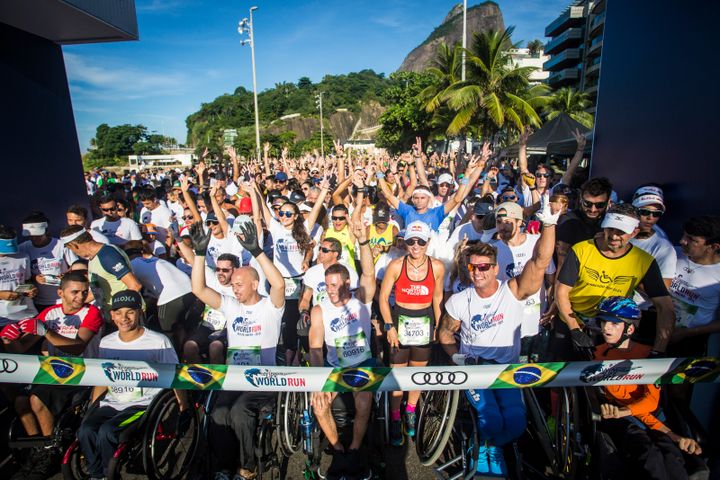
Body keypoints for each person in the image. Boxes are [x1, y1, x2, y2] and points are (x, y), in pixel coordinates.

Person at [439, 201, 560, 476]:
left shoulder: (513, 291)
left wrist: (549, 225)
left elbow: (540, 262)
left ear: (495, 268)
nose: (478, 273)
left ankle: (492, 445)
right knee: (490, 418)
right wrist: (456, 357)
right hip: (476, 370)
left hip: (506, 369)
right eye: (472, 268)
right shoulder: (460, 300)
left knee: (517, 423)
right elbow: (445, 333)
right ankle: (483, 450)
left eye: (484, 267)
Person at [189, 220, 286, 480]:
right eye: (233, 286)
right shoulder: (232, 305)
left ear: (254, 284)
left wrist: (257, 252)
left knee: (239, 412)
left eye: (239, 285)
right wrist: (199, 255)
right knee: (219, 413)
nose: (235, 289)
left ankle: (248, 466)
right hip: (235, 376)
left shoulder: (270, 307)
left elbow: (279, 285)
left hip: (263, 378)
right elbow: (198, 289)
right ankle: (224, 465)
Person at [77, 290, 189, 480]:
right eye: (118, 313)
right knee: (85, 430)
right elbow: (103, 377)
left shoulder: (158, 341)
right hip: (112, 401)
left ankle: (107, 473)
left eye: (130, 312)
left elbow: (174, 373)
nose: (124, 318)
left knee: (107, 432)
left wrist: (183, 405)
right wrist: (93, 407)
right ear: (112, 315)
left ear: (140, 312)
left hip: (142, 404)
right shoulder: (107, 342)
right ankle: (96, 474)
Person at [1, 272, 102, 480]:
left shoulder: (91, 313)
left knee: (37, 399)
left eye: (84, 292)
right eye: (74, 292)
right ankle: (37, 449)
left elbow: (77, 347)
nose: (80, 297)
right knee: (21, 402)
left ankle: (51, 450)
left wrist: (46, 332)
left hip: (82, 372)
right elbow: (22, 347)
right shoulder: (49, 313)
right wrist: (8, 340)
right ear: (60, 293)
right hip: (53, 373)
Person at [593, 297, 703, 480]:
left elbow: (651, 402)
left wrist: (674, 437)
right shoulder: (596, 355)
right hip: (623, 420)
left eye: (613, 323)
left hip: (644, 415)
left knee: (671, 455)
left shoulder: (648, 354)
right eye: (603, 321)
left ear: (629, 328)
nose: (606, 328)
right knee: (648, 453)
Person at [554, 203, 675, 361]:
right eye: (610, 229)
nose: (614, 236)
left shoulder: (644, 261)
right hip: (572, 320)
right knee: (562, 373)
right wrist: (575, 330)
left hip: (609, 327)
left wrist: (659, 349)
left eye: (621, 232)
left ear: (634, 232)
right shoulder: (581, 250)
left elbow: (665, 307)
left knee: (599, 379)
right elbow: (561, 291)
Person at [309, 219, 376, 479]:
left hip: (362, 363)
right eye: (327, 285)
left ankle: (355, 449)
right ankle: (338, 450)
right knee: (319, 404)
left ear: (347, 283)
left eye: (335, 285)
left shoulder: (361, 299)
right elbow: (315, 349)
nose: (331, 290)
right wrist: (317, 382)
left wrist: (362, 242)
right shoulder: (319, 309)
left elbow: (369, 274)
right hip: (334, 367)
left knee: (363, 397)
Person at [379, 221, 445, 446]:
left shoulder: (437, 267)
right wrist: (389, 326)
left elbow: (437, 298)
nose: (415, 246)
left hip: (424, 321)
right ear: (405, 242)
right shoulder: (397, 265)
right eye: (410, 241)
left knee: (417, 372)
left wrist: (438, 324)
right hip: (401, 319)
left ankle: (411, 410)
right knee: (398, 373)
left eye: (420, 241)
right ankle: (396, 416)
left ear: (428, 242)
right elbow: (383, 297)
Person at [377, 147, 486, 232]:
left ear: (427, 198)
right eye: (416, 198)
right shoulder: (408, 210)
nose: (419, 200)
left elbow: (459, 197)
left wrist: (472, 170)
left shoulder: (437, 212)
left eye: (422, 198)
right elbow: (388, 195)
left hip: (437, 248)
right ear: (413, 200)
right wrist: (378, 172)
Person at [492, 202, 556, 341]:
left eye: (507, 222)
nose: (502, 227)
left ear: (520, 222)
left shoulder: (537, 243)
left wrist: (552, 307)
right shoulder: (492, 250)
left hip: (536, 321)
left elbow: (550, 280)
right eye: (498, 222)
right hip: (506, 323)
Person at [123, 240, 195, 349]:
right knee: (180, 327)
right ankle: (185, 356)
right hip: (190, 291)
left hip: (171, 296)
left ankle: (171, 359)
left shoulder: (132, 265)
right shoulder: (154, 259)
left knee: (167, 333)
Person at [60, 225, 142, 319]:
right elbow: (98, 291)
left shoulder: (107, 255)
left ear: (75, 245)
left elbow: (135, 285)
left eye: (71, 249)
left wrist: (120, 313)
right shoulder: (92, 258)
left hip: (127, 318)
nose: (73, 252)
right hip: (113, 316)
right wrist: (74, 303)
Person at [667, 216, 720, 359]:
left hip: (690, 340)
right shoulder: (671, 253)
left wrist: (686, 333)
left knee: (678, 380)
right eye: (684, 235)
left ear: (713, 247)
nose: (682, 241)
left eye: (692, 239)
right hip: (656, 325)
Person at [182, 253, 239, 364]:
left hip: (227, 330)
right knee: (189, 347)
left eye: (225, 270)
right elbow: (193, 260)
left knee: (215, 348)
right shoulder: (212, 278)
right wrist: (179, 240)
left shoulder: (240, 287)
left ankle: (218, 380)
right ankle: (200, 377)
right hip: (207, 326)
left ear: (235, 270)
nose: (220, 273)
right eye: (218, 269)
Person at [555, 177, 613, 272]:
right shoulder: (568, 221)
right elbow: (562, 263)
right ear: (581, 199)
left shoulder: (612, 224)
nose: (593, 209)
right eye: (588, 203)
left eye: (599, 205)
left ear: (608, 202)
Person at [18, 212, 68, 311]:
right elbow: (21, 276)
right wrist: (35, 278)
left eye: (38, 235)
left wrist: (66, 275)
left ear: (46, 232)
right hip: (38, 302)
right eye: (31, 236)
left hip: (63, 300)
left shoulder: (61, 245)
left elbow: (76, 267)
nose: (34, 238)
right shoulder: (22, 248)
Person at [0, 225, 38, 324]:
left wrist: (31, 289)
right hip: (2, 316)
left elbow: (27, 280)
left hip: (25, 312)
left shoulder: (23, 256)